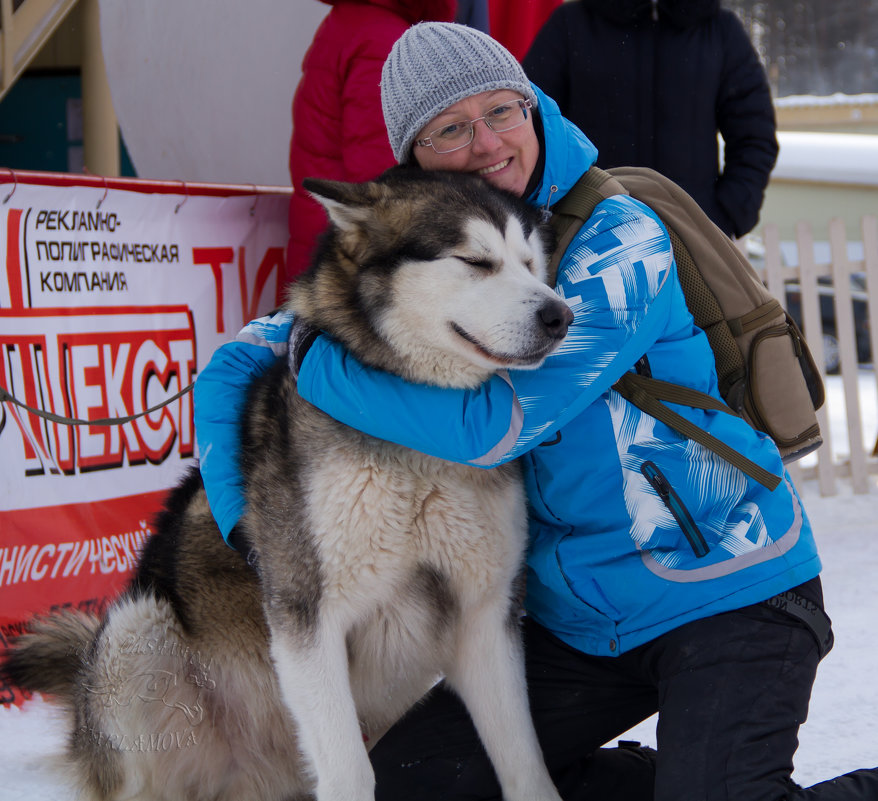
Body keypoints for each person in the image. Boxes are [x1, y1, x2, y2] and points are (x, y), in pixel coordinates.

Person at [194, 22, 878, 801]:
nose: (486, 144)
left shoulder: (621, 241)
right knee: (418, 785)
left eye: (502, 112)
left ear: (532, 108)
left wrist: (315, 363)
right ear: (415, 156)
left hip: (729, 584)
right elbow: (232, 365)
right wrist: (245, 526)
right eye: (450, 128)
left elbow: (495, 426)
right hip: (577, 618)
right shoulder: (418, 247)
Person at [522, 0, 778, 240]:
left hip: (693, 240)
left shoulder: (720, 31)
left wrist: (725, 216)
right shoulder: (571, 24)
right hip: (590, 235)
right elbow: (532, 126)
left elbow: (755, 136)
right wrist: (558, 214)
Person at [285, 0, 456, 281]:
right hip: (356, 259)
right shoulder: (383, 40)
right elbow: (382, 173)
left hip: (331, 241)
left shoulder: (355, 20)